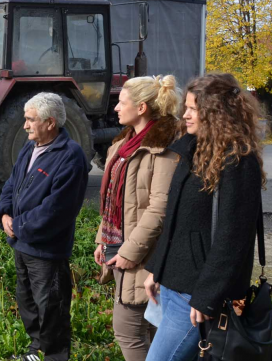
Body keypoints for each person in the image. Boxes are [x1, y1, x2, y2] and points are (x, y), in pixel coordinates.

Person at [143, 73, 267, 361]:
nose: (184, 115)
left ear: (215, 113)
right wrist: (156, 269)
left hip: (196, 294)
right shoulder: (194, 149)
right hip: (174, 285)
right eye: (186, 107)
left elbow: (232, 238)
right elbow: (175, 219)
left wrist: (207, 296)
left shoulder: (237, 160)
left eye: (192, 109)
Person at [0, 92, 90, 361]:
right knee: (28, 302)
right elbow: (11, 184)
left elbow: (57, 210)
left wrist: (19, 226)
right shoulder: (30, 147)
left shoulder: (70, 157)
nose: (25, 125)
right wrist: (4, 215)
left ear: (50, 123)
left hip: (46, 250)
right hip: (22, 243)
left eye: (30, 119)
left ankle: (54, 355)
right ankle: (36, 351)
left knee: (52, 308)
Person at [93, 75, 182, 361]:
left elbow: (159, 207)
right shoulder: (123, 144)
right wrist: (101, 240)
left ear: (141, 107)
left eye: (122, 102)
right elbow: (110, 201)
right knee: (150, 331)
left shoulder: (164, 149)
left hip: (142, 254)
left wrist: (131, 251)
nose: (116, 108)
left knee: (128, 332)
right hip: (118, 247)